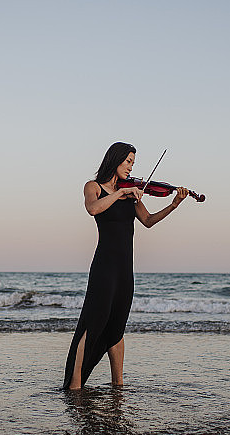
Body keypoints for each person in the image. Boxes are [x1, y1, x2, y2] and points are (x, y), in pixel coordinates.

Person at [62, 142, 188, 390]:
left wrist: (174, 205)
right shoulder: (94, 187)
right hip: (104, 268)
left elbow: (148, 221)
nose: (131, 168)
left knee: (117, 327)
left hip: (124, 270)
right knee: (94, 322)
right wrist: (120, 193)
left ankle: (118, 384)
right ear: (116, 159)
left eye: (133, 163)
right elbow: (92, 209)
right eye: (128, 161)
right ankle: (75, 385)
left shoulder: (132, 193)